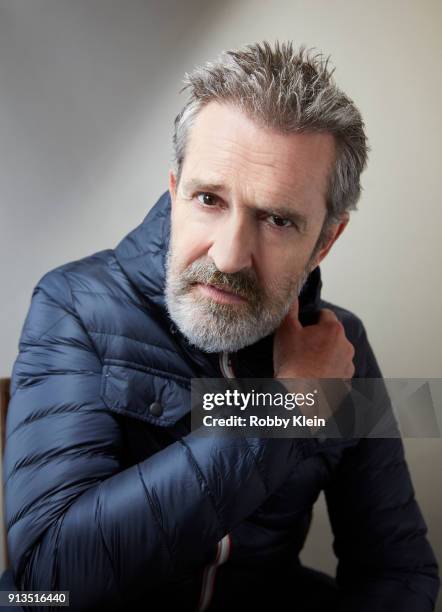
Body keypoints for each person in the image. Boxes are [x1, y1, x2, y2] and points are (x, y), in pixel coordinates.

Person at [3, 41, 439, 611]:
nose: (230, 256)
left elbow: (398, 570)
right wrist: (287, 409)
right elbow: (51, 579)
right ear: (174, 190)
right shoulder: (74, 304)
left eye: (278, 219)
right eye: (209, 199)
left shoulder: (342, 346)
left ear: (326, 240)